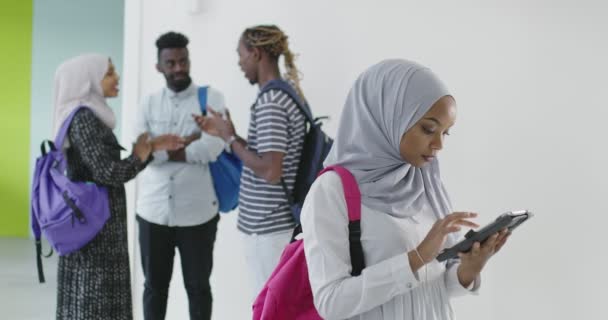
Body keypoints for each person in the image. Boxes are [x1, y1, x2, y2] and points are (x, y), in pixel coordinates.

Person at [300, 59, 511, 320]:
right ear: (387, 115)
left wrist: (468, 270)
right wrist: (417, 257)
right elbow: (330, 303)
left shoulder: (425, 183)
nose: (438, 145)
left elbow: (433, 283)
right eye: (429, 129)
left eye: (446, 133)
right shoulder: (331, 191)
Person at [53, 54, 183, 320]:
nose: (117, 77)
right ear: (87, 80)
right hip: (95, 233)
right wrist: (140, 155)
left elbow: (103, 169)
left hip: (95, 226)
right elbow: (108, 172)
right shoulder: (84, 118)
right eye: (109, 72)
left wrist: (151, 148)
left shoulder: (87, 116)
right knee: (94, 306)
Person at [193, 25, 307, 298]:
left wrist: (230, 138)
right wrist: (228, 134)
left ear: (255, 54)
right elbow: (265, 156)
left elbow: (270, 170)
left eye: (241, 55)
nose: (239, 63)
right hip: (274, 227)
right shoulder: (283, 94)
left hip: (268, 230)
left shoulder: (271, 101)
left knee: (270, 308)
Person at [134, 32, 227, 320]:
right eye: (171, 62)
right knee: (154, 288)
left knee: (198, 288)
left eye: (183, 61)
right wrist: (188, 141)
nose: (178, 68)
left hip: (197, 214)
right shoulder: (147, 103)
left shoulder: (211, 98)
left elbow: (214, 146)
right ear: (159, 67)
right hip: (153, 213)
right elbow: (141, 152)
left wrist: (162, 146)